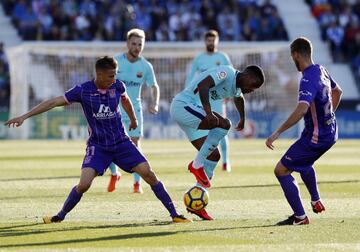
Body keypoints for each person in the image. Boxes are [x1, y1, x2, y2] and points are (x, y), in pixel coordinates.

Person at [5, 56, 191, 224]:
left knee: (149, 174)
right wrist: (24, 116)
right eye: (110, 76)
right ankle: (60, 215)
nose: (114, 79)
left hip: (121, 142)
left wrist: (133, 119)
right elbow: (53, 102)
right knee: (84, 184)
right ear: (99, 75)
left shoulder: (118, 86)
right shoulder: (83, 90)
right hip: (98, 146)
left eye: (115, 75)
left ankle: (174, 214)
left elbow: (125, 100)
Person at [171, 64, 265, 220]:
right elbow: (203, 85)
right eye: (253, 86)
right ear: (248, 76)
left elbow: (238, 97)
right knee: (224, 124)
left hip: (192, 110)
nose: (251, 91)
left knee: (214, 156)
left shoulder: (236, 87)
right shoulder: (226, 72)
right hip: (183, 106)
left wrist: (242, 118)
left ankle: (197, 205)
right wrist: (208, 112)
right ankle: (196, 165)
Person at [265, 37, 343, 225]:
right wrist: (328, 116)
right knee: (302, 161)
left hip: (317, 137)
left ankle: (300, 217)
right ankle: (315, 200)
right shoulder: (321, 70)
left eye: (293, 57)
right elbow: (338, 92)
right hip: (330, 131)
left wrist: (277, 132)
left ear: (296, 55)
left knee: (281, 170)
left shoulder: (307, 78)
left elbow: (301, 110)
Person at [107, 28, 160, 194]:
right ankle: (115, 174)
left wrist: (155, 103)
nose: (137, 47)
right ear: (127, 44)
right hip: (113, 109)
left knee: (135, 145)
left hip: (135, 110)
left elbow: (154, 86)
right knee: (108, 145)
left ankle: (137, 183)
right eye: (134, 43)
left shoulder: (145, 66)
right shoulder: (115, 62)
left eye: (140, 44)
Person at [185, 30, 233, 172]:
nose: (211, 43)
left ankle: (225, 161)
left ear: (217, 41)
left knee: (221, 129)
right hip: (202, 98)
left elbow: (231, 76)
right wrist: (187, 94)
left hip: (218, 98)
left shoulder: (223, 57)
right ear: (205, 41)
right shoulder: (199, 59)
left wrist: (230, 94)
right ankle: (204, 160)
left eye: (213, 40)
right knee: (205, 132)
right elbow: (190, 78)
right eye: (208, 40)